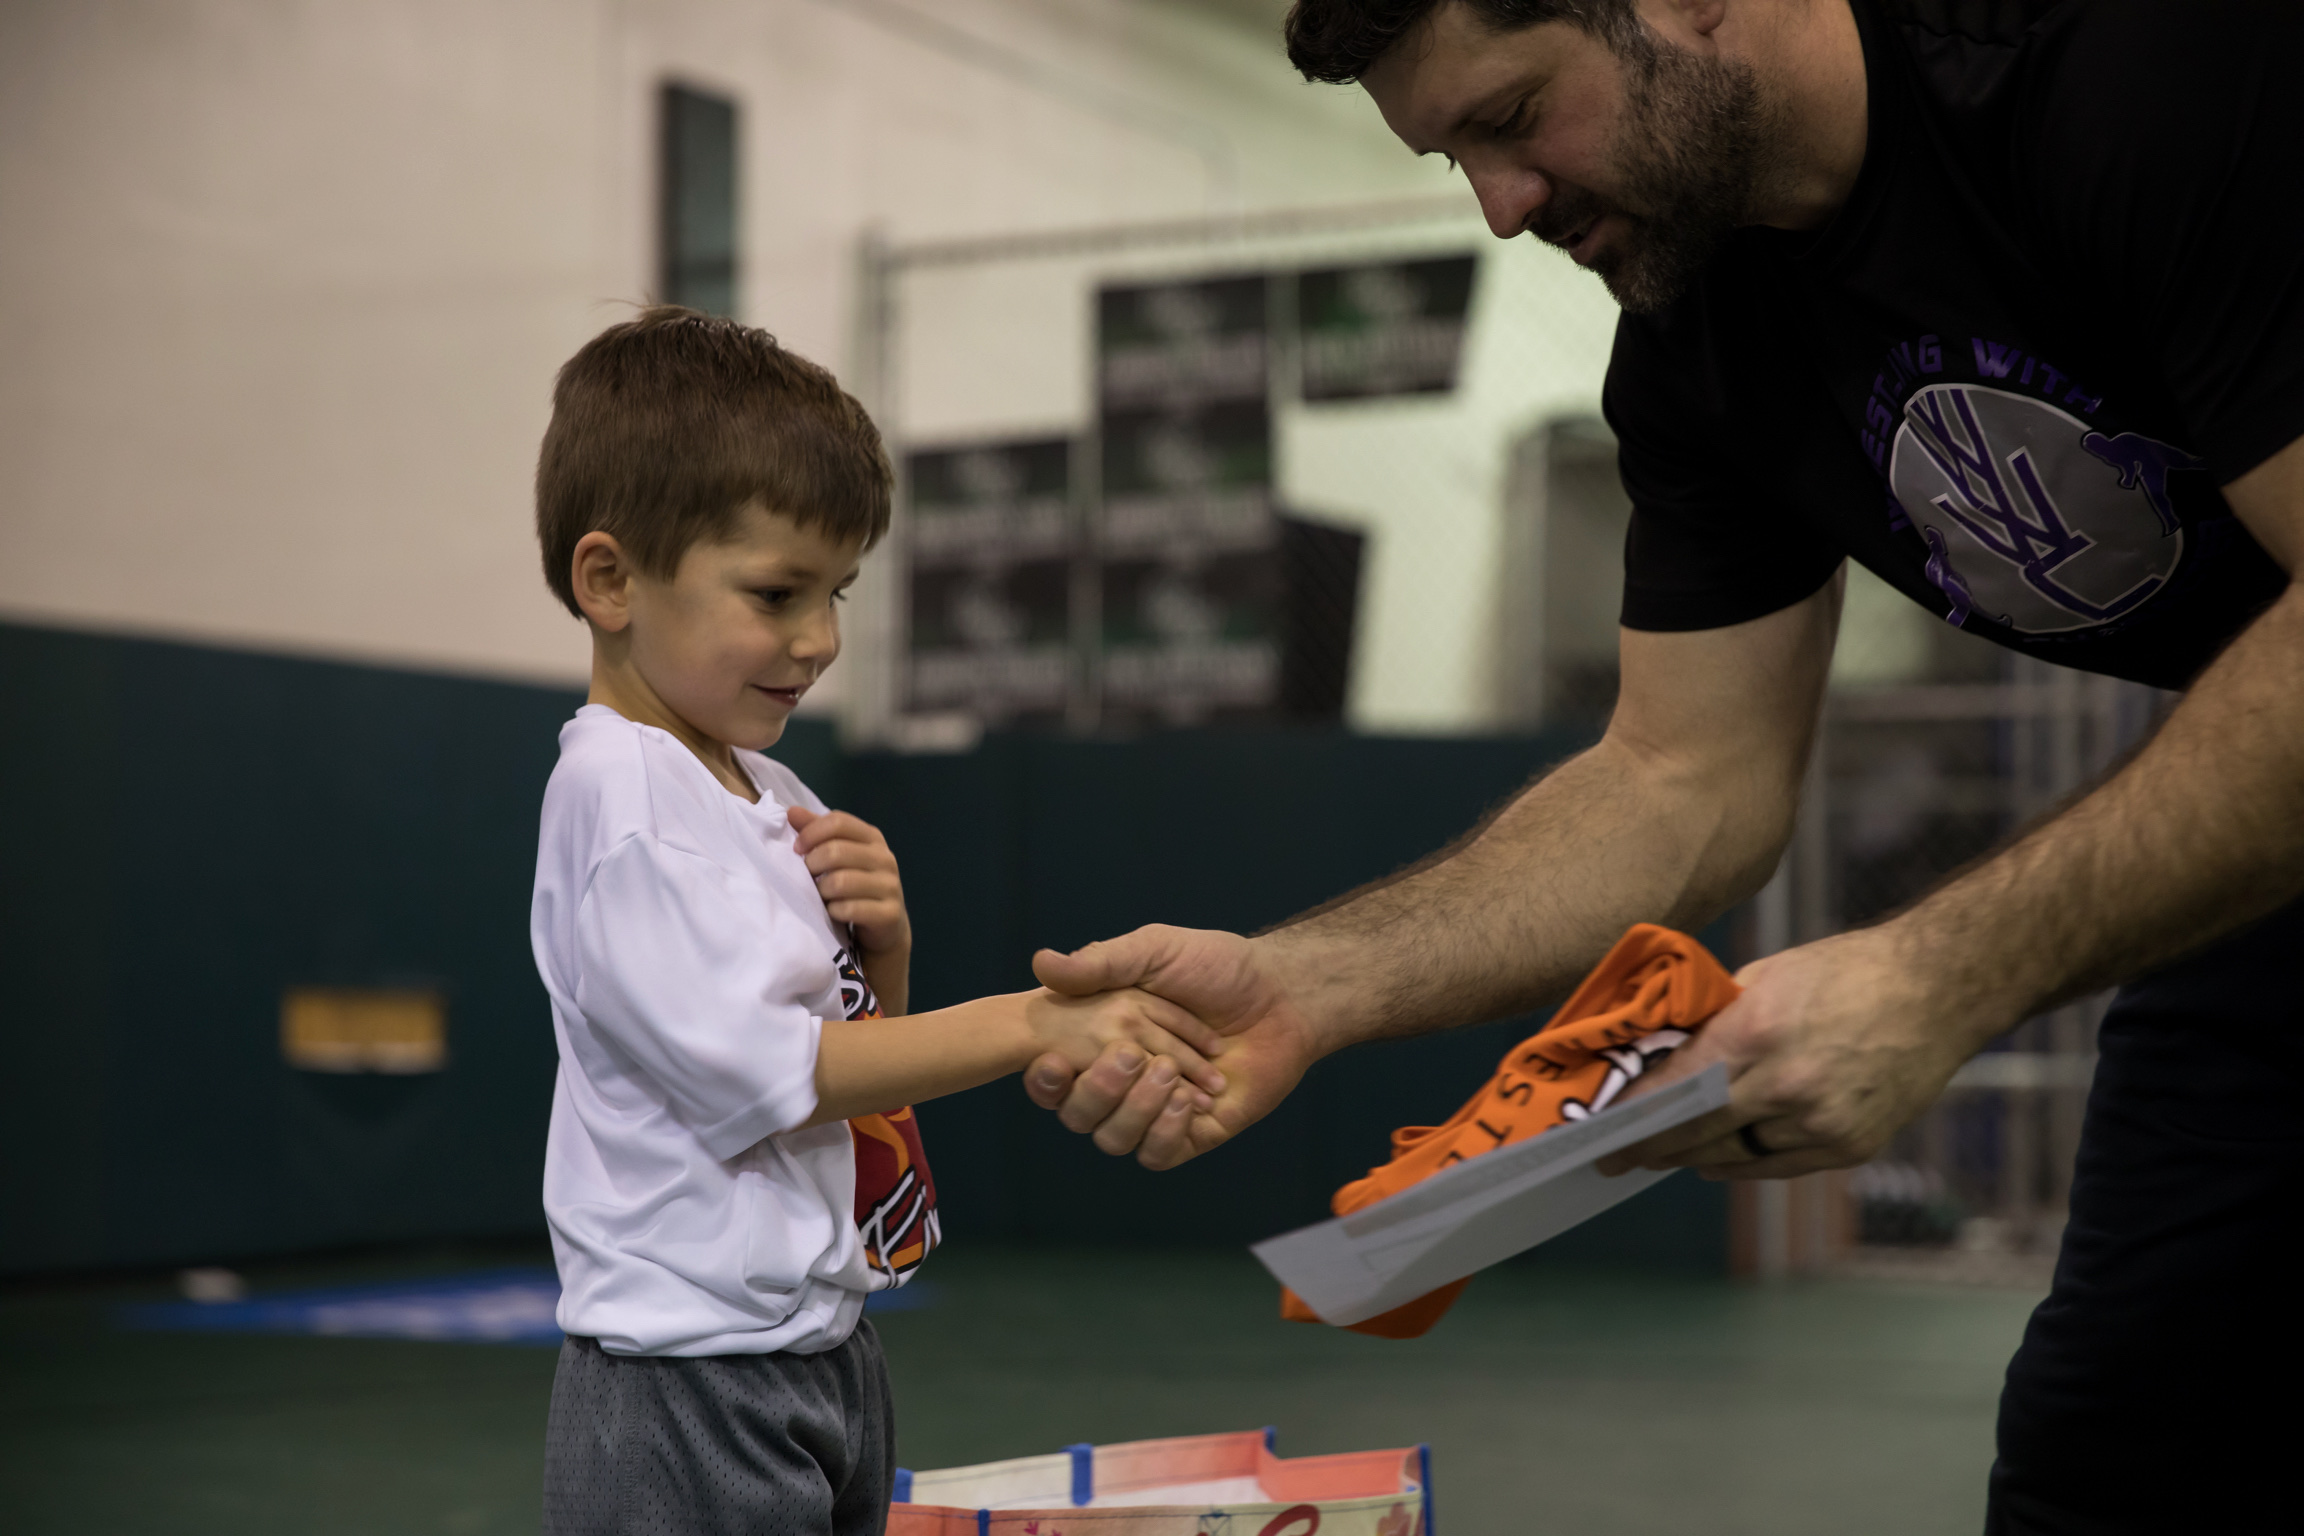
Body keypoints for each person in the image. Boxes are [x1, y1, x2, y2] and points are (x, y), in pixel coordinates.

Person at [1021, 2, 2304, 1530]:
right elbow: (1680, 781)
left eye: (1510, 120)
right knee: (2117, 1451)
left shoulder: (2144, 71)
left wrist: (1933, 975)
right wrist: (1308, 986)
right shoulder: (1702, 335)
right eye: (1454, 162)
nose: (1502, 210)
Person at [525, 308, 1224, 1535]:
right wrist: (1035, 1021)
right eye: (777, 593)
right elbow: (783, 1081)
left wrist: (882, 957)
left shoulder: (762, 783)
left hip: (819, 1350)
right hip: (687, 1382)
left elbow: (853, 1079)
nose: (821, 641)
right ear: (612, 579)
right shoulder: (624, 797)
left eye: (837, 592)